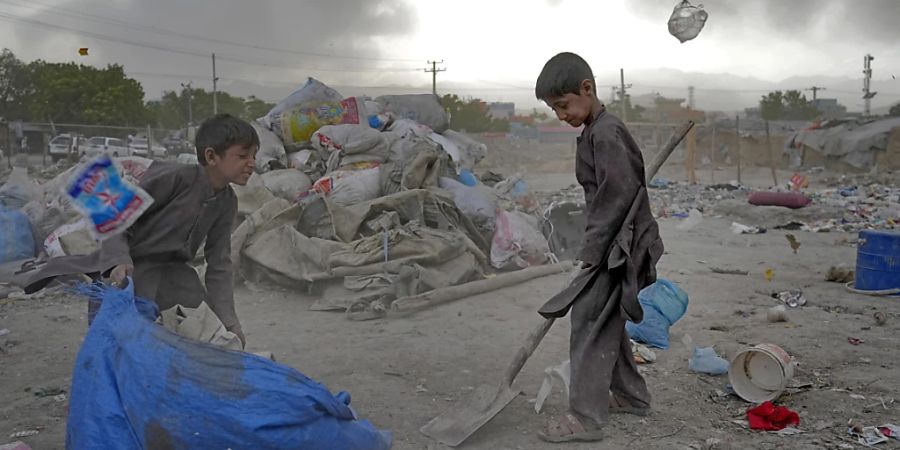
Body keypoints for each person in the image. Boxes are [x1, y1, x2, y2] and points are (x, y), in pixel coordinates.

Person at [24, 114, 258, 347]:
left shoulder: (227, 201)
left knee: (199, 330)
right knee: (121, 342)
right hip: (131, 266)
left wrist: (229, 322)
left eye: (254, 156)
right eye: (243, 156)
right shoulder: (174, 177)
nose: (252, 163)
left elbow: (219, 264)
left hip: (174, 274)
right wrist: (118, 259)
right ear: (211, 156)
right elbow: (116, 216)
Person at [533, 52, 664, 442]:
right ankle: (631, 395)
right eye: (553, 108)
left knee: (589, 319)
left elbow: (615, 197)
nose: (560, 115)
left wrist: (591, 253)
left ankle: (585, 418)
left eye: (563, 104)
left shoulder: (606, 133)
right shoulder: (595, 130)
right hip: (615, 241)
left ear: (587, 89)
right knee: (606, 318)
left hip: (620, 246)